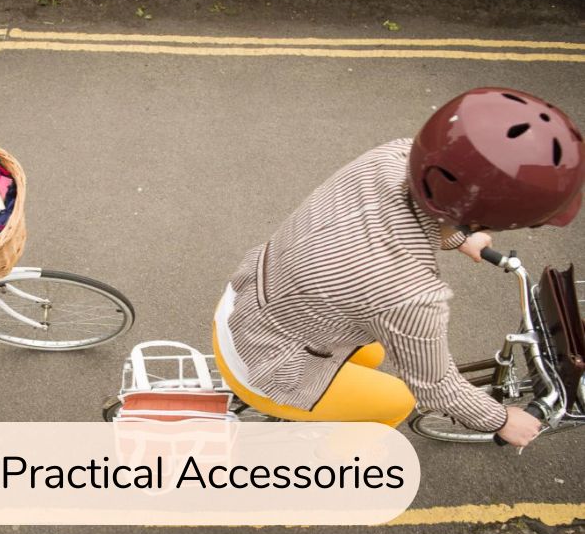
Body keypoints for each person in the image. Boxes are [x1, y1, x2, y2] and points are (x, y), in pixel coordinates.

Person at [213, 87, 584, 448]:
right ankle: (330, 463)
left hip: (251, 296)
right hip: (265, 363)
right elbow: (437, 387)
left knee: (373, 353)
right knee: (396, 400)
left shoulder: (392, 156)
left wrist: (458, 236)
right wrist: (503, 420)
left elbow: (394, 212)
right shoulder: (410, 294)